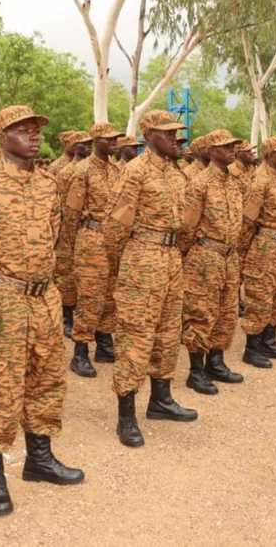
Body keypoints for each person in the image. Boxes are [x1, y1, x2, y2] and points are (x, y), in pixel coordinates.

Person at [0, 105, 84, 517]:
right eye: (22, 130)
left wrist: (45, 288)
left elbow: (56, 236)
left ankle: (39, 459)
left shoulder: (47, 183)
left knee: (46, 380)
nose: (33, 136)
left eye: (35, 130)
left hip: (44, 298)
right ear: (1, 137)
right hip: (1, 301)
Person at [104, 109, 198, 448]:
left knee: (168, 332)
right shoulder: (135, 172)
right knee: (136, 335)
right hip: (143, 258)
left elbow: (186, 223)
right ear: (150, 136)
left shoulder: (176, 173)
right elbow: (114, 227)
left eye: (176, 132)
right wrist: (128, 265)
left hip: (172, 259)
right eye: (168, 132)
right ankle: (126, 415)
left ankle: (160, 400)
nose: (175, 137)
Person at [180, 129, 245, 395]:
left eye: (233, 146)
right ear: (209, 151)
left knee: (227, 312)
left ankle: (216, 362)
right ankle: (196, 371)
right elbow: (187, 228)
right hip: (205, 256)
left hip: (229, 256)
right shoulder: (199, 184)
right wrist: (191, 256)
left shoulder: (234, 182)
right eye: (224, 147)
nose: (231, 150)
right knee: (201, 314)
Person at [61, 122, 124, 377]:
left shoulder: (115, 170)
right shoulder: (82, 170)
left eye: (116, 138)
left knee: (110, 294)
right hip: (91, 239)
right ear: (97, 141)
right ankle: (80, 352)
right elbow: (71, 211)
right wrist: (72, 245)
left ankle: (105, 343)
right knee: (90, 296)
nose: (115, 142)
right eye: (109, 139)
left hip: (112, 240)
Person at [239, 136, 276, 367]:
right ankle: (252, 348)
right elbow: (247, 221)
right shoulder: (260, 181)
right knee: (261, 297)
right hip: (265, 246)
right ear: (270, 156)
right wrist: (244, 253)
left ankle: (269, 342)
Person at [54, 131, 93, 339]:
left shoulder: (93, 169)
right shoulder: (64, 171)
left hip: (88, 233)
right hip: (69, 230)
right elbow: (62, 207)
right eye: (83, 144)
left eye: (90, 144)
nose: (88, 147)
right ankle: (67, 317)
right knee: (66, 275)